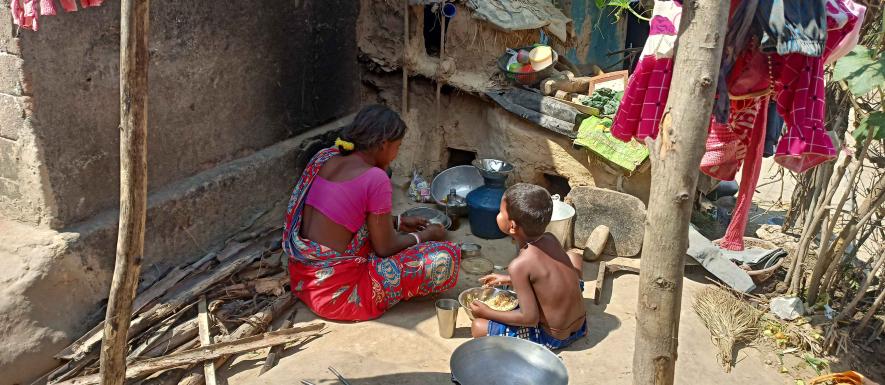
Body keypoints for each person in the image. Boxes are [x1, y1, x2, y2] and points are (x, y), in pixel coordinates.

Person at [282, 105, 460, 321]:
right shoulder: (376, 178)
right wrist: (424, 236)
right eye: (398, 146)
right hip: (338, 295)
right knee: (444, 257)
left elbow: (342, 214)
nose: (396, 155)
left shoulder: (325, 157)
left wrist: (397, 222)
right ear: (383, 144)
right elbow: (385, 248)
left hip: (303, 280)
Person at [469, 183, 587, 350]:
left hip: (553, 337)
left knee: (478, 327)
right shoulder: (550, 238)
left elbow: (530, 318)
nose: (498, 215)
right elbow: (543, 273)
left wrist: (486, 312)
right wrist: (508, 279)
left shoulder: (519, 265)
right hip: (580, 325)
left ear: (512, 227)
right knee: (573, 256)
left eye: (501, 212)